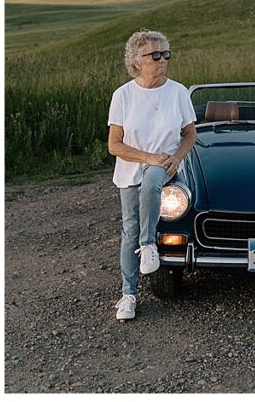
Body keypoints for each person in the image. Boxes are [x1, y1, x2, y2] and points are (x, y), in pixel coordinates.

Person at [107, 30, 196, 322]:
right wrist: (148, 157)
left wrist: (175, 159)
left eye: (166, 54)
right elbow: (114, 145)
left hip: (165, 164)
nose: (162, 60)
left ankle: (148, 246)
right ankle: (128, 295)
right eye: (155, 55)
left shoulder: (178, 92)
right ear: (136, 62)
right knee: (128, 229)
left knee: (152, 182)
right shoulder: (123, 95)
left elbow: (190, 134)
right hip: (133, 166)